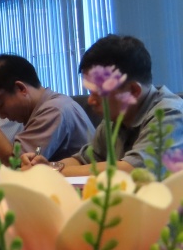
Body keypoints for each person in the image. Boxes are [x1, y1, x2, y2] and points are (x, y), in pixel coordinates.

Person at [24, 35, 183, 174]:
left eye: (98, 93)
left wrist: (53, 171)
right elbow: (83, 159)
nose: (90, 101)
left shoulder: (170, 114)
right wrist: (44, 166)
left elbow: (131, 170)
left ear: (133, 91)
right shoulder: (115, 119)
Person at [0, 54, 92, 164]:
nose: (2, 115)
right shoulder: (44, 108)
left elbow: (16, 165)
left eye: (0, 105)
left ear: (21, 88)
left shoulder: (54, 110)